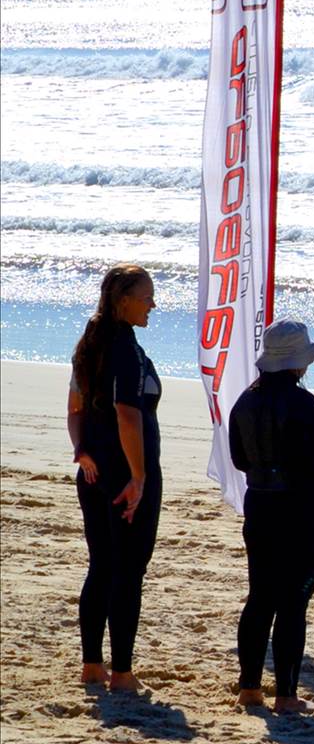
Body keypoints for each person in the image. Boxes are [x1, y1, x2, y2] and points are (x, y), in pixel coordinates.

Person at [229, 320, 314, 715]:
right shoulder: (304, 403)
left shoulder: (245, 401)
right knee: (293, 603)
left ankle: (249, 688)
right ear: (297, 362)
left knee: (260, 598)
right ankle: (287, 696)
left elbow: (239, 459)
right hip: (303, 510)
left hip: (261, 505)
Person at [66, 264, 162, 692]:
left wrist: (81, 451)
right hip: (125, 477)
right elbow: (127, 415)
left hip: (93, 473)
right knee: (128, 570)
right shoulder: (124, 347)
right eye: (146, 297)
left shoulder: (90, 342)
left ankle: (92, 665)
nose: (152, 304)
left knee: (101, 565)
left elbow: (74, 409)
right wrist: (139, 477)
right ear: (124, 301)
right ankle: (121, 673)